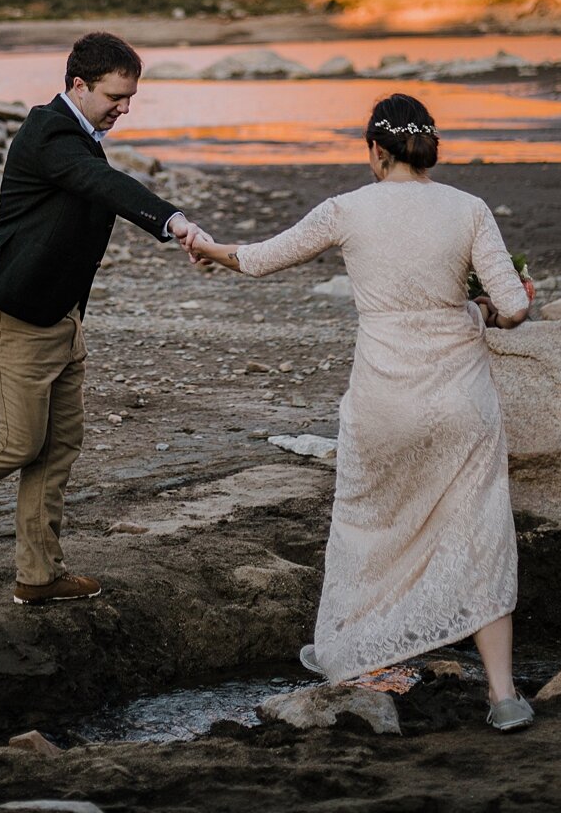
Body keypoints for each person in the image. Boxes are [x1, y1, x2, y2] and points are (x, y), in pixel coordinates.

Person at [189, 92, 537, 732]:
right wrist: (482, 307)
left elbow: (259, 258)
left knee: (366, 521)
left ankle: (357, 656)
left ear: (376, 151)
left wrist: (206, 248)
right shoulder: (468, 209)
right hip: (459, 396)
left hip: (382, 396)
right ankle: (503, 695)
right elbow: (513, 307)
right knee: (481, 530)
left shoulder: (346, 209)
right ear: (427, 147)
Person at [0, 31, 207, 604]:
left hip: (58, 314)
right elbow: (101, 184)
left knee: (58, 445)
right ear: (78, 85)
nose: (124, 108)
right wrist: (173, 221)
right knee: (19, 440)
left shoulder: (81, 134)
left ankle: (38, 575)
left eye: (131, 97)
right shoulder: (50, 132)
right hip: (14, 312)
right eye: (116, 96)